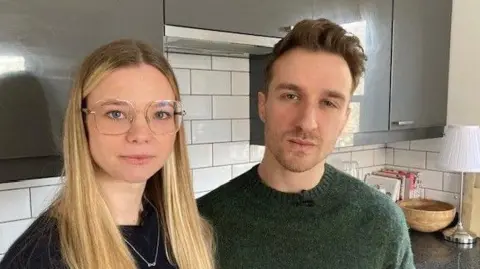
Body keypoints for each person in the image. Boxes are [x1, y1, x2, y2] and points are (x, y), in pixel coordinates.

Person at [197, 18, 415, 269]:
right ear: (262, 105)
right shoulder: (202, 223)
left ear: (345, 119)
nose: (307, 122)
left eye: (328, 103)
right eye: (290, 96)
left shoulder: (382, 222)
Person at [0, 39, 215, 269]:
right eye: (116, 114)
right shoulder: (40, 259)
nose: (140, 135)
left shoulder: (185, 233)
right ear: (81, 123)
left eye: (160, 114)